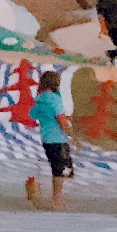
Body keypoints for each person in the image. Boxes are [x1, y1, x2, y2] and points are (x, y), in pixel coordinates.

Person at [25, 68, 73, 209]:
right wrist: (72, 134)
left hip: (46, 139)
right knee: (61, 170)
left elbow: (33, 115)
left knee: (60, 168)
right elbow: (61, 121)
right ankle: (56, 199)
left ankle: (36, 190)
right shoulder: (55, 99)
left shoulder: (39, 100)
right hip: (59, 139)